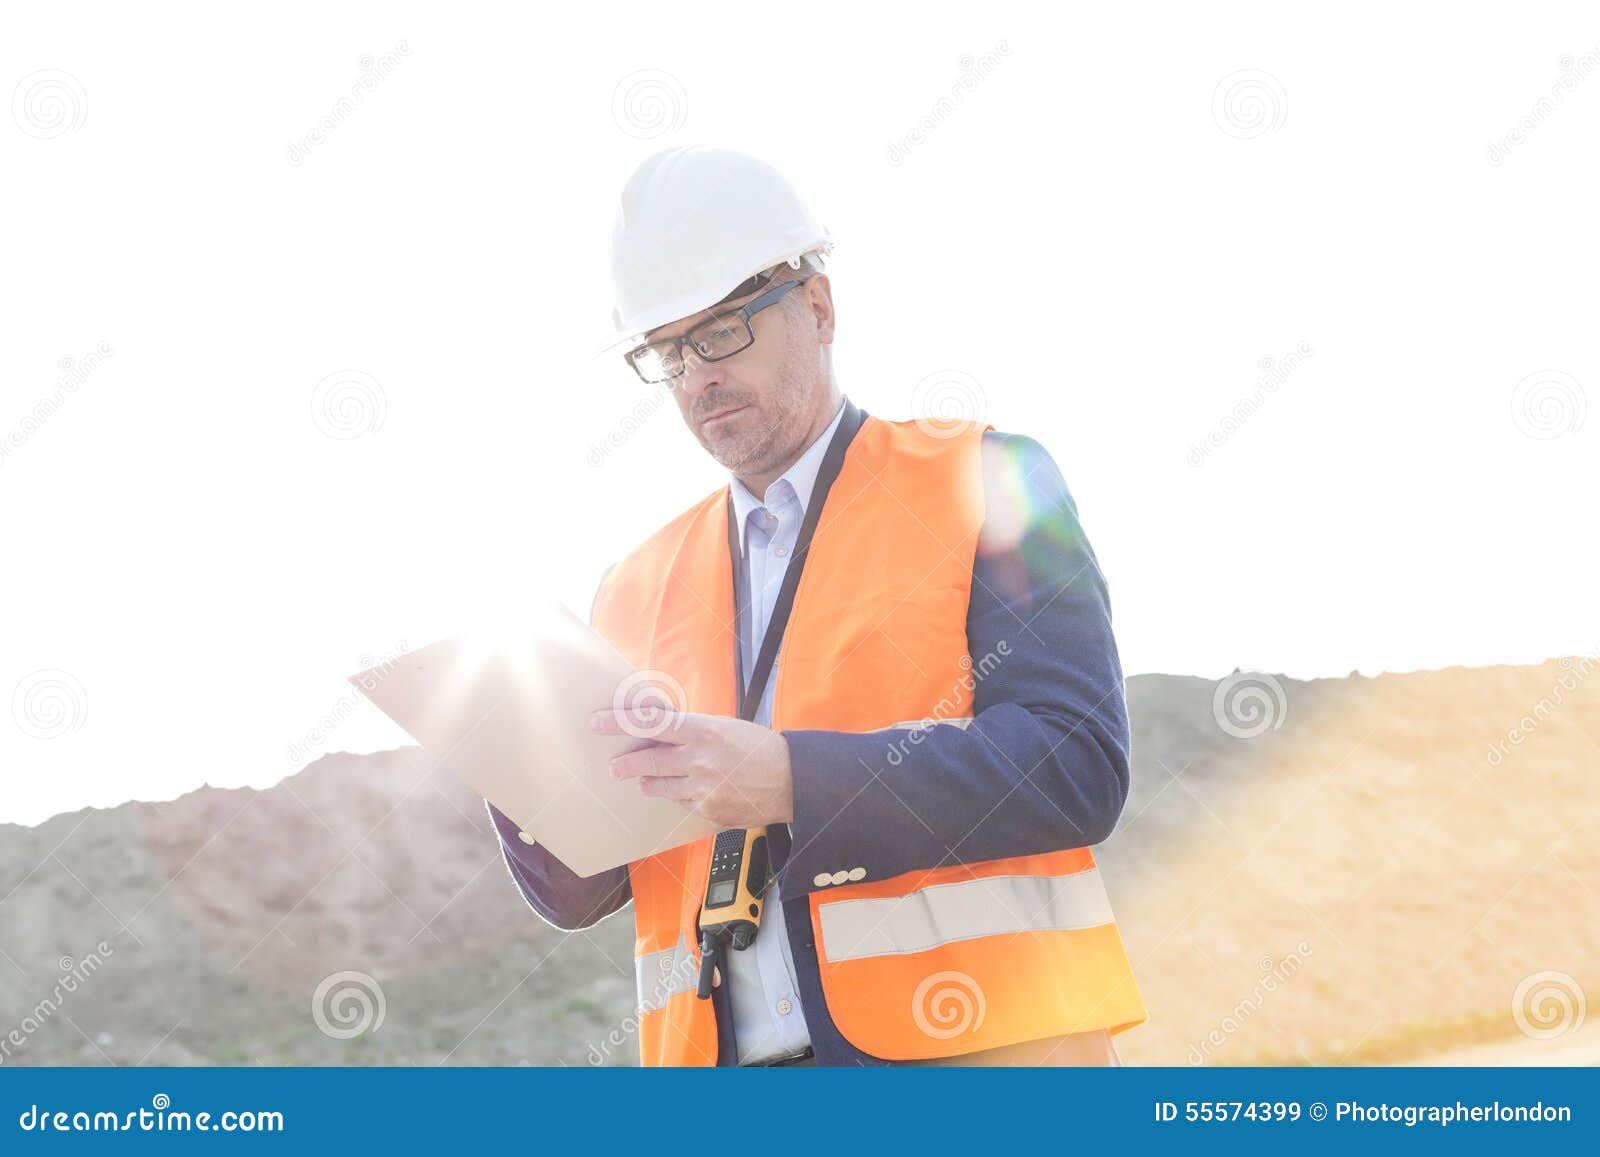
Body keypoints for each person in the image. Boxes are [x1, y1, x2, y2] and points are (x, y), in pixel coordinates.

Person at [487, 146, 1145, 1066]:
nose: (696, 377)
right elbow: (581, 890)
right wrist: (509, 756)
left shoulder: (987, 478)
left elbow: (1075, 764)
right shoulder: (632, 584)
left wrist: (790, 777)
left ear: (819, 307)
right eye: (668, 351)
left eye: (719, 332)